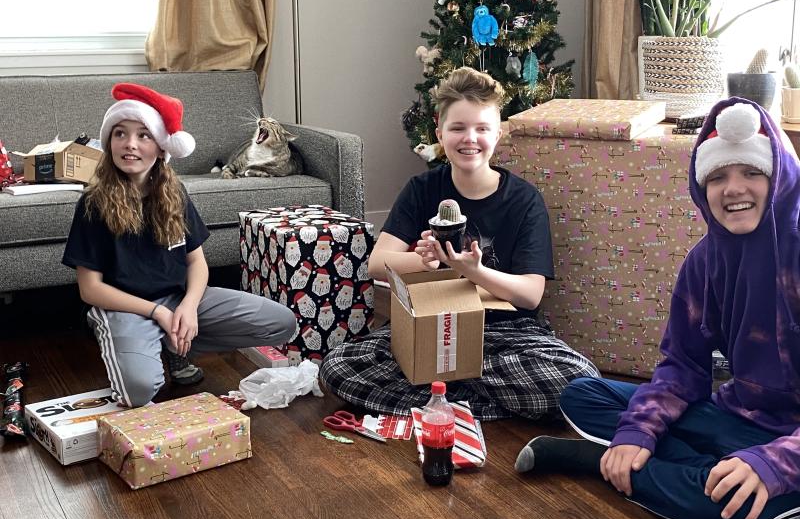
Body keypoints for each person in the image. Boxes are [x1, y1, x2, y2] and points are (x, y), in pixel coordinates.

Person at [515, 98, 800, 519]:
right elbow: (682, 366)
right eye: (718, 177)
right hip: (733, 418)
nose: (733, 189)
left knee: (726, 505)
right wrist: (638, 431)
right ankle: (714, 479)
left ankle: (605, 464)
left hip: (792, 439)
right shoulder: (704, 261)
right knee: (584, 395)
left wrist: (774, 463)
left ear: (779, 176)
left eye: (751, 172)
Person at [320, 67, 598, 419]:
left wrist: (474, 271)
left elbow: (530, 295)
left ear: (498, 134)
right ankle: (472, 404)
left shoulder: (524, 200)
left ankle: (442, 399)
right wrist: (426, 262)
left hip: (504, 336)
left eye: (482, 128)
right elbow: (377, 263)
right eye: (458, 128)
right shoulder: (421, 190)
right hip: (431, 328)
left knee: (579, 381)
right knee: (337, 368)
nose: (470, 139)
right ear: (440, 133)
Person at [62, 83, 296, 407]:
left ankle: (173, 345)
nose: (130, 144)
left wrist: (187, 307)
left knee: (281, 323)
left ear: (161, 147)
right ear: (109, 142)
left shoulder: (175, 193)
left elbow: (196, 262)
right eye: (120, 134)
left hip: (176, 299)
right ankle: (146, 343)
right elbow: (90, 289)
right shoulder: (93, 203)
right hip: (125, 308)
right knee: (138, 392)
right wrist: (157, 312)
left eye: (143, 135)